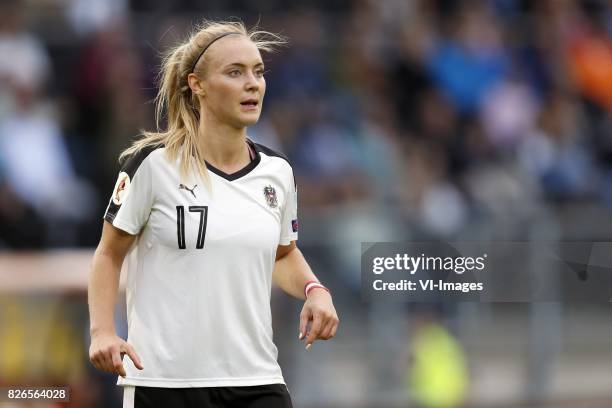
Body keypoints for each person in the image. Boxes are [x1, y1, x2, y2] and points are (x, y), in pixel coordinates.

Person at [87, 20, 339, 408]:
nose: (252, 83)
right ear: (197, 84)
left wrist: (314, 290)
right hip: (164, 384)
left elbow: (283, 252)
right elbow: (108, 253)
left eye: (258, 72)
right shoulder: (152, 166)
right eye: (235, 72)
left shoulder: (278, 172)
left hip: (258, 380)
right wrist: (102, 331)